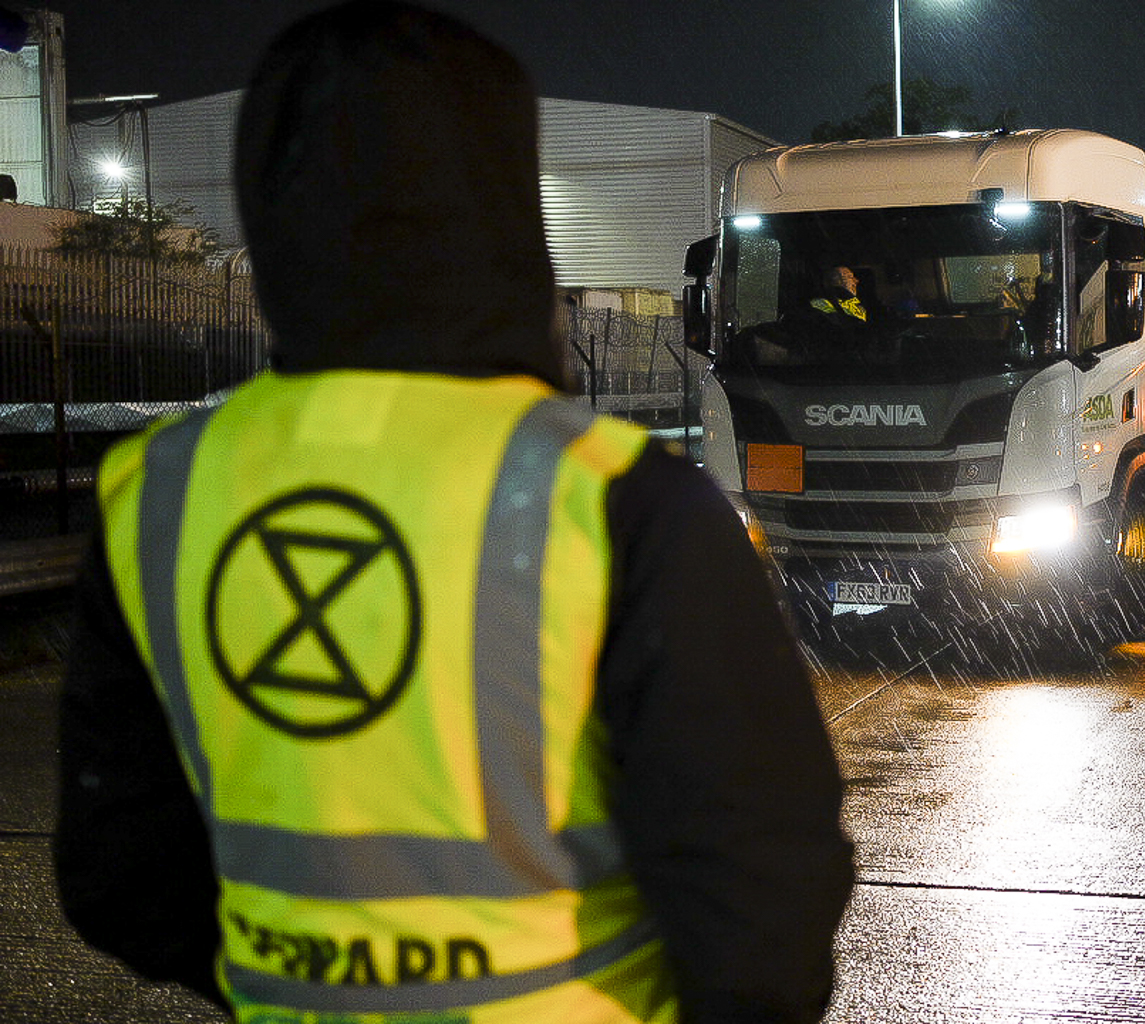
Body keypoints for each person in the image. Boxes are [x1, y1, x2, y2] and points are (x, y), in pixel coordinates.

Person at [54, 4, 853, 1023]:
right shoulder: (617, 500)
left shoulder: (156, 490)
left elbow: (116, 868)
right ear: (501, 209)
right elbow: (763, 897)